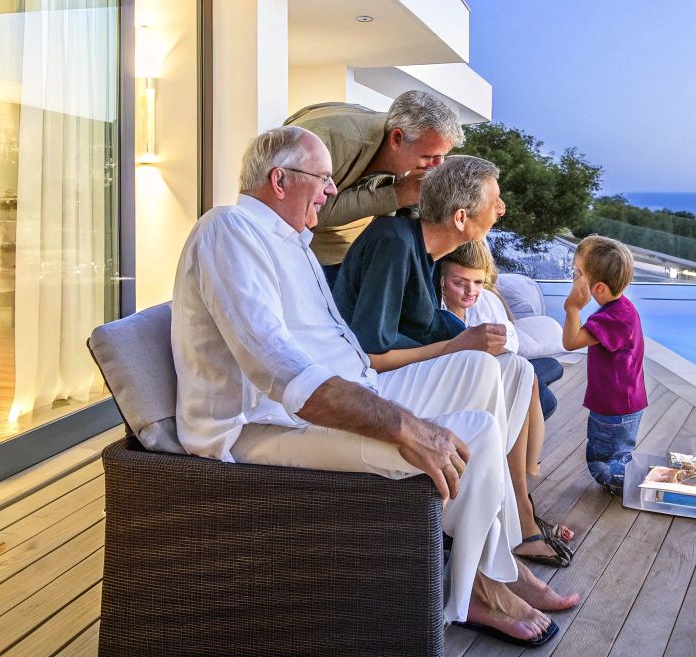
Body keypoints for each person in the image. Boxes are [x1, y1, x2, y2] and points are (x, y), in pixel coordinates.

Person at [169, 127, 574, 645]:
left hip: (343, 394)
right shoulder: (230, 230)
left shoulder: (292, 242)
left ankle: (490, 558)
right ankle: (478, 586)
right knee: (475, 431)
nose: (332, 191)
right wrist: (404, 425)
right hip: (267, 426)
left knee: (485, 369)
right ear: (279, 180)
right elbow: (278, 370)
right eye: (322, 179)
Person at [335, 156, 578, 568]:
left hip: (400, 377)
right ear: (462, 217)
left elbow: (435, 331)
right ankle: (495, 538)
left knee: (518, 369)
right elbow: (369, 356)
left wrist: (472, 339)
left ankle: (513, 515)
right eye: (495, 201)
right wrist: (458, 345)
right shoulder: (394, 242)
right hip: (364, 389)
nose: (501, 209)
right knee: (485, 367)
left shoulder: (427, 258)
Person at [285, 90, 463, 285]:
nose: (437, 166)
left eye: (441, 156)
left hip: (345, 256)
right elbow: (307, 212)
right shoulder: (327, 143)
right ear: (397, 139)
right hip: (301, 254)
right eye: (429, 156)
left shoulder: (407, 143)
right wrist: (399, 195)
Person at [438, 240, 564, 422]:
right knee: (544, 396)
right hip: (471, 386)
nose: (470, 291)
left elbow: (511, 342)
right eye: (459, 283)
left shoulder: (487, 300)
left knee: (548, 372)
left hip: (501, 371)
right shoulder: (435, 316)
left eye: (478, 282)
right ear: (441, 281)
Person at [562, 235, 647, 494]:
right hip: (624, 404)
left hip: (613, 409)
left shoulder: (613, 318)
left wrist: (572, 308)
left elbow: (570, 342)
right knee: (617, 454)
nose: (573, 279)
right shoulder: (622, 308)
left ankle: (630, 487)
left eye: (577, 274)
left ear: (598, 288)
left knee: (603, 462)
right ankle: (627, 480)